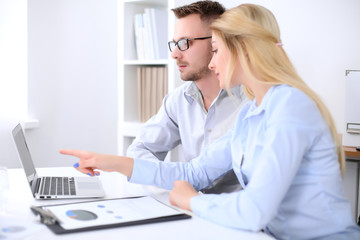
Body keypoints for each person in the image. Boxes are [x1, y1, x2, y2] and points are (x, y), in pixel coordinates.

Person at [60, 3, 360, 239]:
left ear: (243, 49)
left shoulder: (290, 105)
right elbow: (196, 172)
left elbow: (254, 209)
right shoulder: (251, 113)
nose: (213, 62)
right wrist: (110, 162)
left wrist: (191, 201)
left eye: (216, 51)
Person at [126, 1, 248, 193]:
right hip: (192, 208)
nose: (175, 54)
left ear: (216, 42)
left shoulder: (253, 102)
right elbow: (140, 150)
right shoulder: (178, 100)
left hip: (234, 214)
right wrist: (172, 177)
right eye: (174, 44)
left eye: (185, 43)